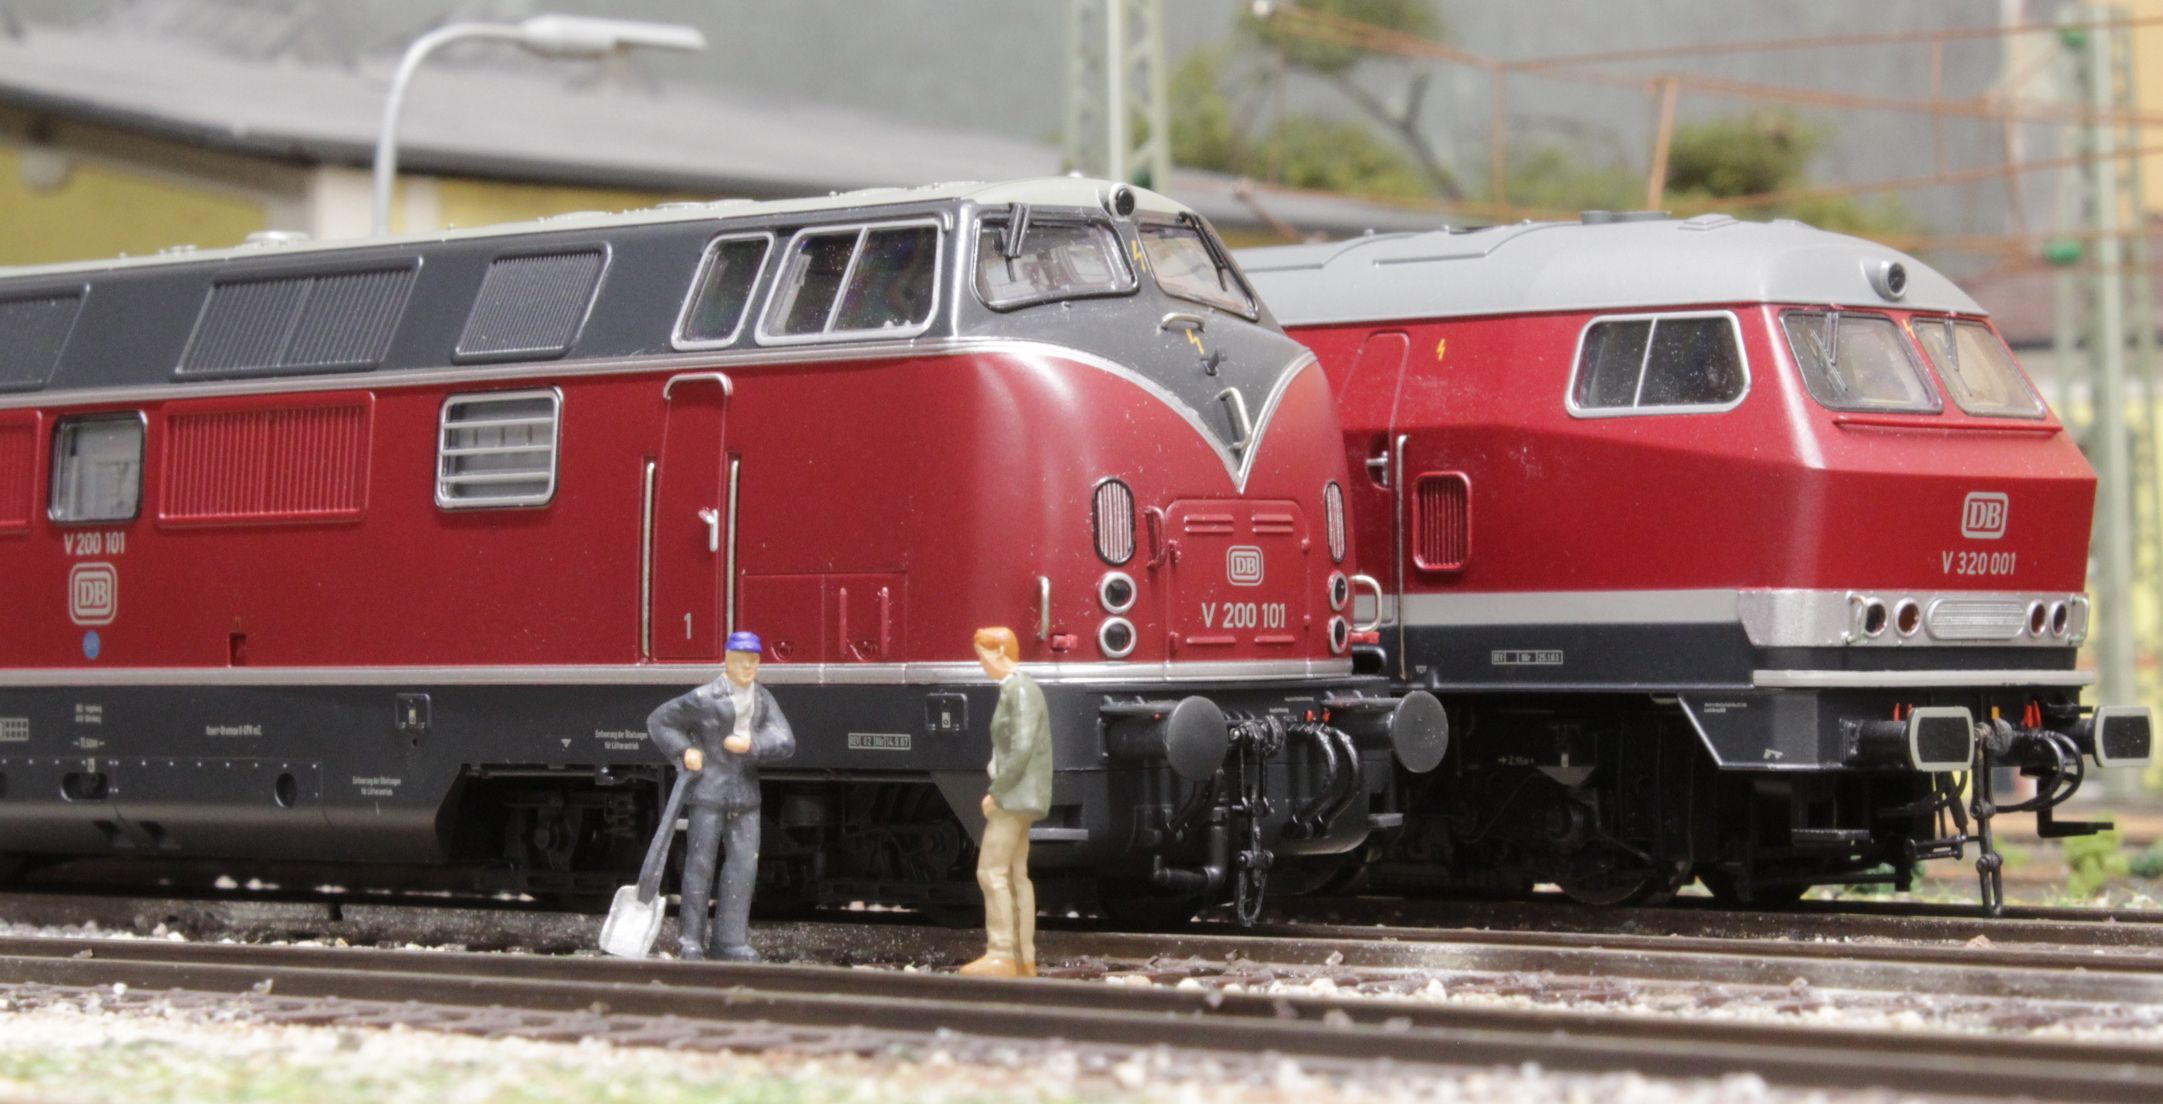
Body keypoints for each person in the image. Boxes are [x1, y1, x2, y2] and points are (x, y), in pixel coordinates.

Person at [646, 630, 795, 961]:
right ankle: (690, 939)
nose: (748, 667)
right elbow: (660, 722)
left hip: (746, 797)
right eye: (742, 661)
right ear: (728, 660)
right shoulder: (704, 697)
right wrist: (685, 750)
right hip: (709, 794)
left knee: (743, 867)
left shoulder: (763, 700)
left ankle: (730, 941)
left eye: (754, 661)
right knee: (700, 865)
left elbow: (785, 741)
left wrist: (753, 745)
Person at [959, 625, 1053, 978]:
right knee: (1015, 875)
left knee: (991, 872)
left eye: (983, 656)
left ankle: (1001, 955)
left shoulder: (1019, 689)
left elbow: (1022, 747)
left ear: (1000, 652)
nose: (981, 664)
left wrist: (997, 793)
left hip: (1014, 797)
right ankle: (1023, 959)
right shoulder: (1019, 688)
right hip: (1022, 795)